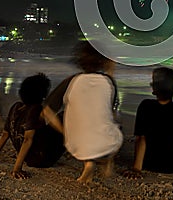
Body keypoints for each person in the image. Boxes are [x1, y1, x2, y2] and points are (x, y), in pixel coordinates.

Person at [43, 40, 123, 183]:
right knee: (112, 124)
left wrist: (65, 132)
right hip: (107, 143)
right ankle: (107, 159)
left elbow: (47, 111)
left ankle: (88, 162)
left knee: (79, 119)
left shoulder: (72, 81)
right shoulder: (108, 82)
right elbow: (110, 112)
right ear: (102, 62)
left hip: (75, 144)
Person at [0, 73, 64, 179]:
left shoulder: (15, 107)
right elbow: (27, 139)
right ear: (42, 94)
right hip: (43, 159)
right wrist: (17, 168)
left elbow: (4, 135)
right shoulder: (37, 109)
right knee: (63, 116)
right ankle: (78, 148)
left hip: (29, 158)